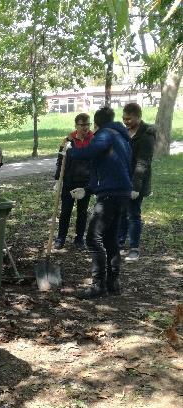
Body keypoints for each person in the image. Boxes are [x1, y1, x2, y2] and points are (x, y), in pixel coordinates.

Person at [65, 106, 132, 299]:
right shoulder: (122, 137)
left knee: (93, 238)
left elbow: (89, 152)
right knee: (110, 238)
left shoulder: (106, 134)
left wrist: (71, 151)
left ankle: (98, 284)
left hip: (111, 195)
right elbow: (108, 167)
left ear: (96, 123)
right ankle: (113, 283)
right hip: (121, 193)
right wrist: (88, 189)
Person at [119, 102, 156, 262]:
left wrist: (135, 187)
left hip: (137, 181)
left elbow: (143, 162)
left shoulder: (147, 134)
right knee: (121, 212)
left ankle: (134, 248)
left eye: (129, 119)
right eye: (123, 118)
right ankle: (120, 242)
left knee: (133, 214)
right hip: (122, 179)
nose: (126, 121)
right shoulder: (124, 132)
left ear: (138, 117)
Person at [53, 113, 94, 249]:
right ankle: (60, 238)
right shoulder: (68, 141)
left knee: (82, 212)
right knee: (66, 211)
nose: (86, 127)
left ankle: (79, 239)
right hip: (70, 181)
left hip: (86, 183)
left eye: (88, 124)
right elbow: (60, 161)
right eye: (83, 125)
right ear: (76, 125)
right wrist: (58, 180)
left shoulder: (94, 139)